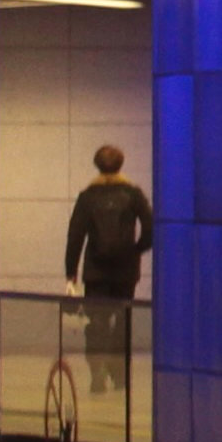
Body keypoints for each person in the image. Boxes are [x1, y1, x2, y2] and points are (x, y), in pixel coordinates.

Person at [66, 144, 151, 395]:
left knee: (97, 323)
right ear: (120, 164)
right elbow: (151, 229)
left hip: (96, 270)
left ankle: (97, 374)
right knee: (123, 322)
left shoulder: (87, 197)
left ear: (97, 165)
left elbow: (75, 236)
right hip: (126, 270)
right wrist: (135, 250)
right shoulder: (134, 194)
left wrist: (70, 272)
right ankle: (120, 375)